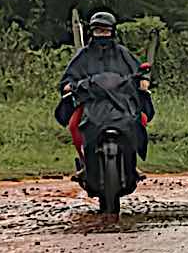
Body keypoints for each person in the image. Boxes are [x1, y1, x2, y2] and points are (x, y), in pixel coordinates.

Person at [57, 12, 148, 181]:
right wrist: (69, 85)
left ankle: (131, 162)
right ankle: (85, 163)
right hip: (91, 102)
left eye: (105, 31)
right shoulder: (83, 55)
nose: (102, 35)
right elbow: (68, 77)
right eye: (98, 31)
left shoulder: (123, 54)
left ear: (113, 32)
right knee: (73, 125)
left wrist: (143, 80)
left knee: (140, 120)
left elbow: (138, 72)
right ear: (92, 32)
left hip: (121, 102)